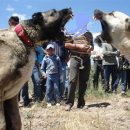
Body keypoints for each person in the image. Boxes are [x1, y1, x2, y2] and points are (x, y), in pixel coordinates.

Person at [65, 31, 94, 111]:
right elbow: (66, 44)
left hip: (86, 59)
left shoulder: (89, 33)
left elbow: (92, 46)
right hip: (75, 58)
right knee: (72, 80)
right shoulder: (73, 31)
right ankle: (69, 103)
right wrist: (78, 46)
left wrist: (91, 47)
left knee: (84, 81)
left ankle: (81, 103)